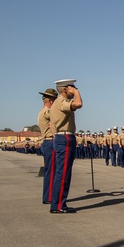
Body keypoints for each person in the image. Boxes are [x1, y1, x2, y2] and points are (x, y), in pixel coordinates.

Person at [49, 79, 83, 214]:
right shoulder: (61, 102)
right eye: (71, 88)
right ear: (65, 89)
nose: (73, 90)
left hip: (62, 137)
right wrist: (77, 92)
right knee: (62, 173)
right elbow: (79, 103)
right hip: (65, 137)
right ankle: (58, 205)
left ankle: (59, 203)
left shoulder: (59, 103)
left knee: (63, 172)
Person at [37, 88, 57, 204]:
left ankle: (49, 196)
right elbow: (54, 125)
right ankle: (49, 197)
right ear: (50, 101)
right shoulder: (48, 112)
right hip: (51, 142)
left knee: (50, 170)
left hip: (48, 142)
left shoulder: (42, 112)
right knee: (51, 171)